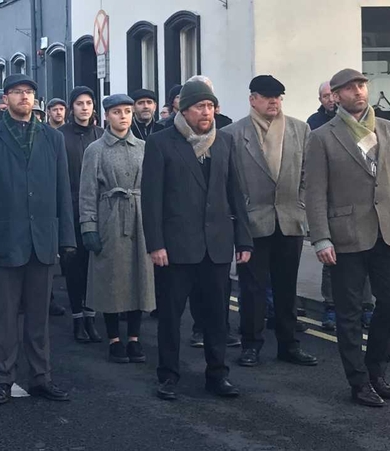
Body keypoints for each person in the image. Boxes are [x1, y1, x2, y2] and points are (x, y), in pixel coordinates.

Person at [142, 80, 253, 401]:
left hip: (216, 246)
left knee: (217, 317)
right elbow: (151, 199)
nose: (207, 113)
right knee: (170, 318)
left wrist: (243, 241)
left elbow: (236, 193)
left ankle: (217, 375)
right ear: (183, 109)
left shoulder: (224, 142)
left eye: (210, 107)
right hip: (175, 248)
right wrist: (155, 243)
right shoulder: (161, 143)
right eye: (200, 107)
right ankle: (168, 376)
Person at [0, 74, 76, 405]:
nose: (24, 97)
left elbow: (63, 190)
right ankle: (3, 377)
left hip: (42, 239)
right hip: (6, 239)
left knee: (38, 317)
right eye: (17, 92)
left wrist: (66, 238)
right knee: (5, 315)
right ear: (6, 99)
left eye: (29, 93)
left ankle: (41, 377)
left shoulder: (52, 138)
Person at [306, 68, 390, 407]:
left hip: (385, 233)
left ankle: (376, 371)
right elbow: (314, 192)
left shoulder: (387, 128)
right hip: (345, 236)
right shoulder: (323, 137)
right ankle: (358, 382)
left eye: (362, 85)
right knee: (350, 312)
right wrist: (321, 239)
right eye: (350, 88)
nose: (358, 91)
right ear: (336, 95)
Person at [222, 75, 318, 368]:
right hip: (253, 221)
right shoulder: (232, 133)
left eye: (278, 96)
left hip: (289, 219)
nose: (274, 101)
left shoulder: (301, 130)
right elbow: (227, 182)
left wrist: (300, 206)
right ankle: (251, 345)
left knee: (287, 288)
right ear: (253, 99)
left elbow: (308, 175)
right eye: (267, 96)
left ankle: (289, 345)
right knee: (252, 288)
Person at [79, 94, 156, 363]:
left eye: (127, 111)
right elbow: (87, 192)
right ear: (106, 116)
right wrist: (88, 226)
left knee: (139, 279)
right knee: (111, 279)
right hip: (109, 218)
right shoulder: (95, 150)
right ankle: (113, 339)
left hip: (139, 219)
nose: (122, 116)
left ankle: (134, 338)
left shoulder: (144, 147)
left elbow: (153, 190)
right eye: (116, 112)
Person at [56, 86, 105, 342]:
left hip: (98, 211)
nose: (84, 108)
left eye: (88, 103)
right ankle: (77, 318)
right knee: (74, 268)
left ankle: (91, 317)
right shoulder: (60, 137)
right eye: (79, 103)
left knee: (94, 268)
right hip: (71, 210)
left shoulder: (102, 134)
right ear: (71, 107)